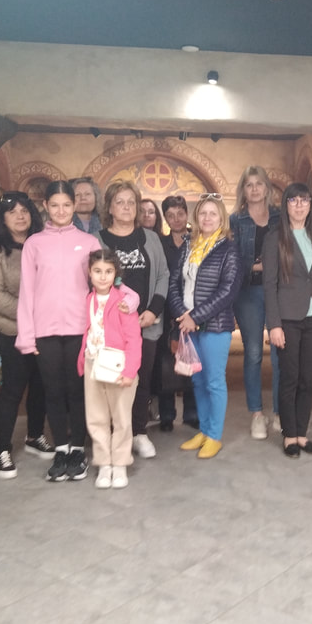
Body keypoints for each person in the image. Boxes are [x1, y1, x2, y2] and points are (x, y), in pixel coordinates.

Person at [16, 180, 137, 482]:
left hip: (81, 330)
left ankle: (79, 450)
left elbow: (109, 279)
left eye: (66, 205)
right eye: (55, 205)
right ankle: (61, 449)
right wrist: (26, 335)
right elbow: (27, 292)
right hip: (45, 330)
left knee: (78, 392)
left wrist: (131, 299)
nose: (61, 211)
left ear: (74, 206)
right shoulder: (34, 244)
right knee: (53, 392)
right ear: (46, 206)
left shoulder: (89, 241)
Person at [0, 191, 53, 479]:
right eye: (12, 212)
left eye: (24, 211)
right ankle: (2, 449)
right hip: (12, 329)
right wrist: (30, 314)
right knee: (13, 388)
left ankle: (34, 435)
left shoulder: (43, 244)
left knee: (41, 385)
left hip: (45, 329)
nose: (20, 216)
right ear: (3, 218)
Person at [96, 181, 169, 460]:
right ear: (109, 208)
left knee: (140, 379)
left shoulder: (150, 238)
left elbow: (163, 275)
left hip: (146, 323)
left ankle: (138, 432)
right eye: (120, 202)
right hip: (111, 326)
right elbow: (92, 280)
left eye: (131, 202)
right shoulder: (98, 240)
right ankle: (115, 433)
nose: (126, 207)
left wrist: (153, 310)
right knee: (111, 380)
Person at [168, 194, 243, 459]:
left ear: (222, 218)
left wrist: (195, 316)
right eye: (203, 213)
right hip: (188, 324)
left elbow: (228, 291)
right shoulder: (188, 246)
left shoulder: (229, 249)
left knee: (213, 381)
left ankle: (214, 436)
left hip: (215, 326)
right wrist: (181, 313)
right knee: (197, 381)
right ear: (196, 218)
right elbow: (174, 283)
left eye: (213, 213)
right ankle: (203, 430)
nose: (207, 218)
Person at [264, 183, 312, 458]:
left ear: (310, 204)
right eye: (293, 200)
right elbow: (269, 285)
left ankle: (302, 435)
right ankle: (289, 436)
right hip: (288, 318)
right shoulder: (274, 239)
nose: (299, 205)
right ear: (286, 205)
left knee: (307, 379)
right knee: (289, 378)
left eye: (304, 200)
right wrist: (274, 325)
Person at [80, 248, 143, 489]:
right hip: (93, 364)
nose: (103, 276)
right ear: (89, 273)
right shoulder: (88, 299)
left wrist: (130, 371)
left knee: (121, 418)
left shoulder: (124, 302)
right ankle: (104, 463)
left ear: (115, 273)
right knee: (96, 417)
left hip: (119, 367)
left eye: (108, 271)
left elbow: (134, 339)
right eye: (97, 271)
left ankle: (120, 464)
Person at [230, 165, 281, 439]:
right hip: (248, 292)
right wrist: (256, 267)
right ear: (243, 190)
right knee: (252, 353)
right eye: (249, 185)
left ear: (267, 188)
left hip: (278, 292)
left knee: (280, 352)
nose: (254, 189)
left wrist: (271, 268)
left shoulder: (280, 217)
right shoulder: (235, 220)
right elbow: (232, 260)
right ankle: (257, 415)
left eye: (259, 183)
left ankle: (280, 412)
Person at [156, 195, 198, 431]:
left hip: (193, 310)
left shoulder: (198, 242)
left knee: (191, 360)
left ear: (187, 214)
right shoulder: (160, 244)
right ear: (165, 218)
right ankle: (167, 415)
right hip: (166, 312)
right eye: (170, 216)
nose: (176, 219)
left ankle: (191, 414)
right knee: (166, 363)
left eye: (180, 214)